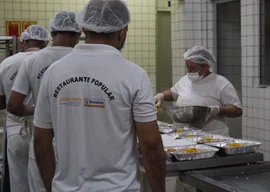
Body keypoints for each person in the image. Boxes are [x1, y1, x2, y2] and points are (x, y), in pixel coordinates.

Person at [31, 0, 166, 192]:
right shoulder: (134, 75)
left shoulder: (53, 72)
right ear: (123, 32)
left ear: (84, 28)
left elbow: (40, 140)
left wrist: (51, 187)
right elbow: (151, 144)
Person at [7, 11, 82, 192]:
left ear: (52, 32)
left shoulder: (33, 61)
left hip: (43, 143)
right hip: (79, 145)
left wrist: (39, 109)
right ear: (79, 33)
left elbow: (13, 105)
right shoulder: (85, 60)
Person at [0, 25, 51, 192]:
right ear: (46, 42)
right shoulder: (52, 62)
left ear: (23, 42)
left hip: (16, 129)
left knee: (19, 182)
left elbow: (3, 103)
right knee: (45, 181)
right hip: (46, 131)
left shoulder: (6, 63)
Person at [155, 46, 243, 136]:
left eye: (193, 68)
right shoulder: (185, 80)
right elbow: (173, 93)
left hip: (212, 136)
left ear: (205, 67)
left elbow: (237, 110)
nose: (189, 71)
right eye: (187, 67)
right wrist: (161, 96)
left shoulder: (220, 83)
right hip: (184, 135)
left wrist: (217, 110)